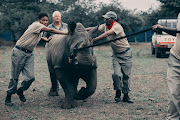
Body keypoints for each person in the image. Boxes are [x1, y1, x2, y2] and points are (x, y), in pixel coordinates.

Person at [5, 13, 68, 106]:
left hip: (29, 54)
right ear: (39, 20)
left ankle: (20, 90)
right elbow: (51, 29)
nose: (45, 22)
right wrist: (65, 33)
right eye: (43, 20)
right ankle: (8, 97)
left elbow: (37, 36)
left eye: (47, 20)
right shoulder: (36, 25)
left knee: (30, 77)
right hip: (19, 51)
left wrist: (45, 39)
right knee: (15, 77)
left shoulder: (40, 29)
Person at [86, 11, 133, 103]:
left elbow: (108, 34)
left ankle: (126, 95)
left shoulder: (117, 26)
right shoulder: (105, 26)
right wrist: (83, 30)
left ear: (112, 19)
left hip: (125, 53)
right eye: (105, 18)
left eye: (107, 18)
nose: (105, 20)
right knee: (116, 74)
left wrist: (94, 40)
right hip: (115, 54)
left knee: (126, 76)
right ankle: (118, 93)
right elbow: (95, 28)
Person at [153, 14, 180, 120]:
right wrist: (160, 28)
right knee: (174, 92)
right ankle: (173, 118)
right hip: (176, 58)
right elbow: (177, 32)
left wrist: (162, 27)